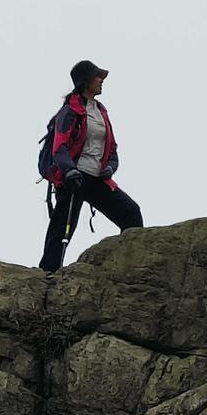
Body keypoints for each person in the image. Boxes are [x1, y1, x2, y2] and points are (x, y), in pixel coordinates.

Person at [39, 60, 143, 273]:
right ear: (85, 81)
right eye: (98, 76)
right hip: (74, 178)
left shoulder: (100, 111)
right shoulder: (70, 110)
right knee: (62, 229)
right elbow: (60, 145)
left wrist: (111, 167)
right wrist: (69, 170)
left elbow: (111, 147)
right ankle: (47, 274)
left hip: (97, 178)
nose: (101, 80)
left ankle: (131, 266)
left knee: (131, 213)